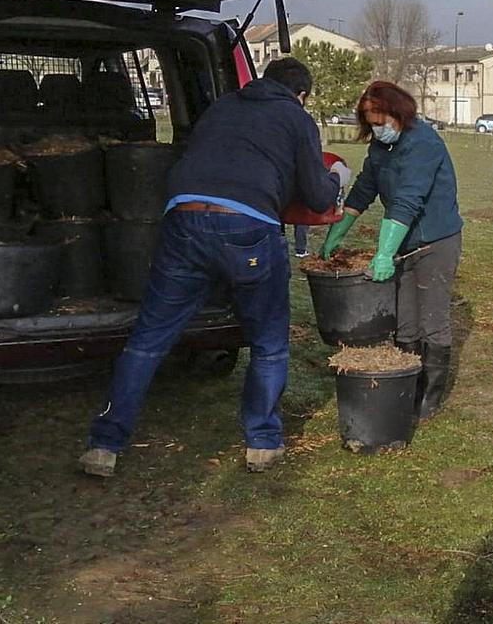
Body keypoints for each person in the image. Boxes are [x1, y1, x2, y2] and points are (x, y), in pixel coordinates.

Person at [80, 57, 346, 477]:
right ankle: (262, 442)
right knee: (269, 341)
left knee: (148, 340)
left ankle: (104, 445)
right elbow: (316, 196)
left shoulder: (222, 106)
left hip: (182, 216)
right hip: (246, 226)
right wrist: (336, 176)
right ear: (302, 94)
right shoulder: (296, 117)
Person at [321, 81, 462, 420]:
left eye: (381, 122)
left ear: (399, 114)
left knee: (433, 320)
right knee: (405, 322)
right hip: (403, 243)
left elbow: (407, 200)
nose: (377, 129)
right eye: (371, 123)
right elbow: (363, 190)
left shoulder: (423, 144)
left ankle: (430, 395)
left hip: (435, 242)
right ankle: (408, 385)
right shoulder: (381, 149)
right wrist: (336, 232)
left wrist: (383, 252)